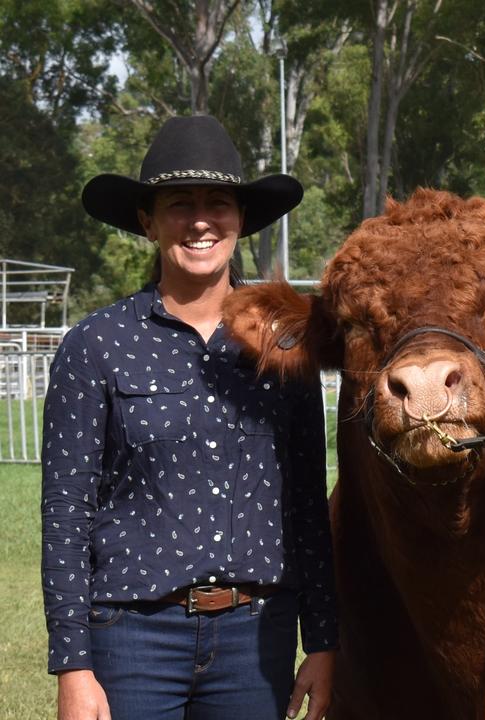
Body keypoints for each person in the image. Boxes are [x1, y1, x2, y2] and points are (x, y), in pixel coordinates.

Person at [43, 115, 338, 720]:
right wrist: (74, 665)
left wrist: (326, 643)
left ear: (240, 220)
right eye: (180, 203)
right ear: (148, 221)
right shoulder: (95, 346)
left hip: (256, 639)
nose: (200, 220)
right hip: (131, 638)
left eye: (217, 203)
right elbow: (66, 513)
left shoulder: (285, 347)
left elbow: (308, 503)